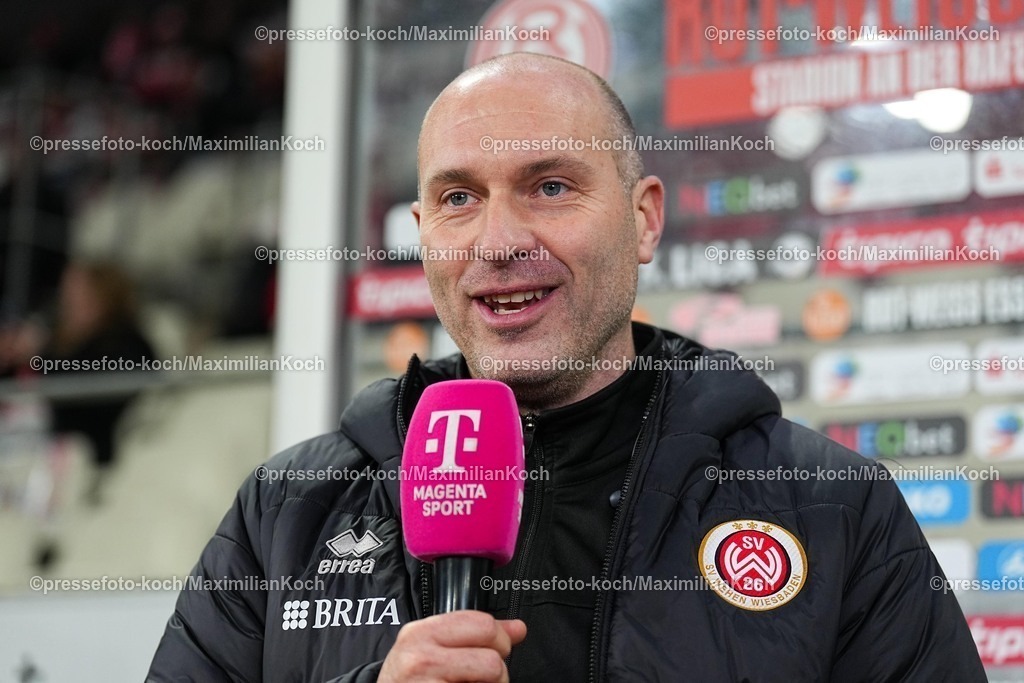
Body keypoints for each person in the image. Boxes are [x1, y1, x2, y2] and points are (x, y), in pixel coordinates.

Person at [147, 53, 986, 682]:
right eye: (458, 197)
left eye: (549, 187)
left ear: (644, 218)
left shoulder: (833, 505)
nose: (499, 240)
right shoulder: (285, 511)